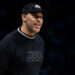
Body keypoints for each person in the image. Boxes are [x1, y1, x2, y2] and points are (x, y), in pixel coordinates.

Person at [0, 3, 44, 75]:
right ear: (24, 17)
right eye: (35, 16)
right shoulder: (8, 44)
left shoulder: (40, 41)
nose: (39, 20)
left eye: (41, 17)